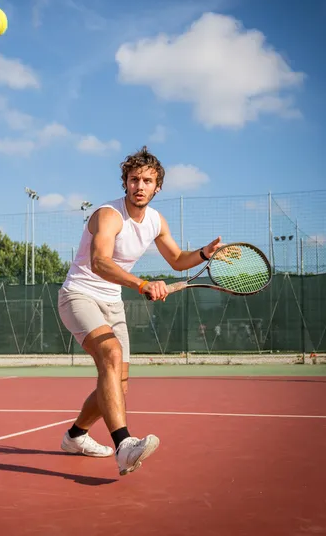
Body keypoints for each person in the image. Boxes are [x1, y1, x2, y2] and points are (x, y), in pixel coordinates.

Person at [58, 146, 226, 476]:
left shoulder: (155, 221)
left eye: (147, 181)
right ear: (125, 183)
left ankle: (75, 436)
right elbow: (100, 262)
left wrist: (204, 254)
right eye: (134, 179)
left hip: (112, 302)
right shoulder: (109, 214)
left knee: (118, 384)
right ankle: (124, 446)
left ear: (157, 187)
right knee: (111, 354)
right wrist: (142, 284)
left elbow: (178, 260)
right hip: (79, 295)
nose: (140, 186)